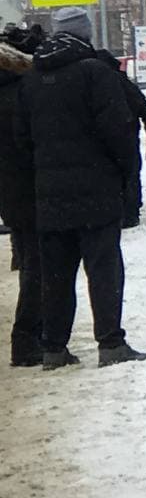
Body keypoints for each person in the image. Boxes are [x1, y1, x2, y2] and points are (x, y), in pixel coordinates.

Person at [15, 7, 146, 370]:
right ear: (85, 34)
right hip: (96, 191)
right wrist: (127, 174)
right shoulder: (95, 73)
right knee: (104, 269)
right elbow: (119, 130)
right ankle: (110, 343)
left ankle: (53, 349)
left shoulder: (30, 80)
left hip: (49, 196)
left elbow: (22, 141)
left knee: (55, 275)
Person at [1, 25, 44, 366]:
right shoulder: (20, 93)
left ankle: (29, 340)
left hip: (10, 193)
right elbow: (26, 145)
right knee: (38, 267)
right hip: (29, 189)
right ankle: (27, 342)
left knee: (33, 263)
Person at [95, 47, 146, 228]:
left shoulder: (98, 84)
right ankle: (131, 212)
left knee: (113, 176)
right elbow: (143, 107)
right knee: (130, 175)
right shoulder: (125, 83)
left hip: (105, 140)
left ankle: (120, 211)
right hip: (128, 136)